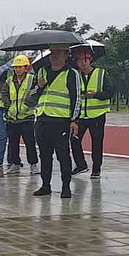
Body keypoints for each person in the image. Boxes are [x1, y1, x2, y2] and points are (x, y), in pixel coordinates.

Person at [27, 44, 81, 198]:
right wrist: (39, 86)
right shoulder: (42, 71)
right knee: (44, 155)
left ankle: (66, 186)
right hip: (42, 119)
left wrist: (74, 120)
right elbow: (31, 97)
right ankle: (45, 185)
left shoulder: (71, 73)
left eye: (58, 52)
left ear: (66, 54)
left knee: (63, 155)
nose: (54, 56)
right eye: (52, 52)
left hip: (60, 120)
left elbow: (76, 98)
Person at [70, 45, 114, 179]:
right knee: (74, 139)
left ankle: (96, 169)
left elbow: (110, 92)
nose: (82, 63)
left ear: (90, 60)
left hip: (97, 115)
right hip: (80, 116)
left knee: (97, 143)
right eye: (79, 60)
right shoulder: (75, 75)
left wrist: (95, 94)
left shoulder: (101, 73)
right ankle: (81, 165)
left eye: (85, 60)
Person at [1, 54, 39, 174]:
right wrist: (8, 106)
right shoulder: (9, 81)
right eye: (16, 67)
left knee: (30, 143)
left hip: (27, 117)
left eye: (20, 67)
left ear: (26, 67)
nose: (17, 69)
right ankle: (15, 164)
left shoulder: (32, 80)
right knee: (13, 143)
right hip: (12, 118)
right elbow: (4, 94)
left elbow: (36, 94)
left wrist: (27, 105)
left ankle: (33, 164)